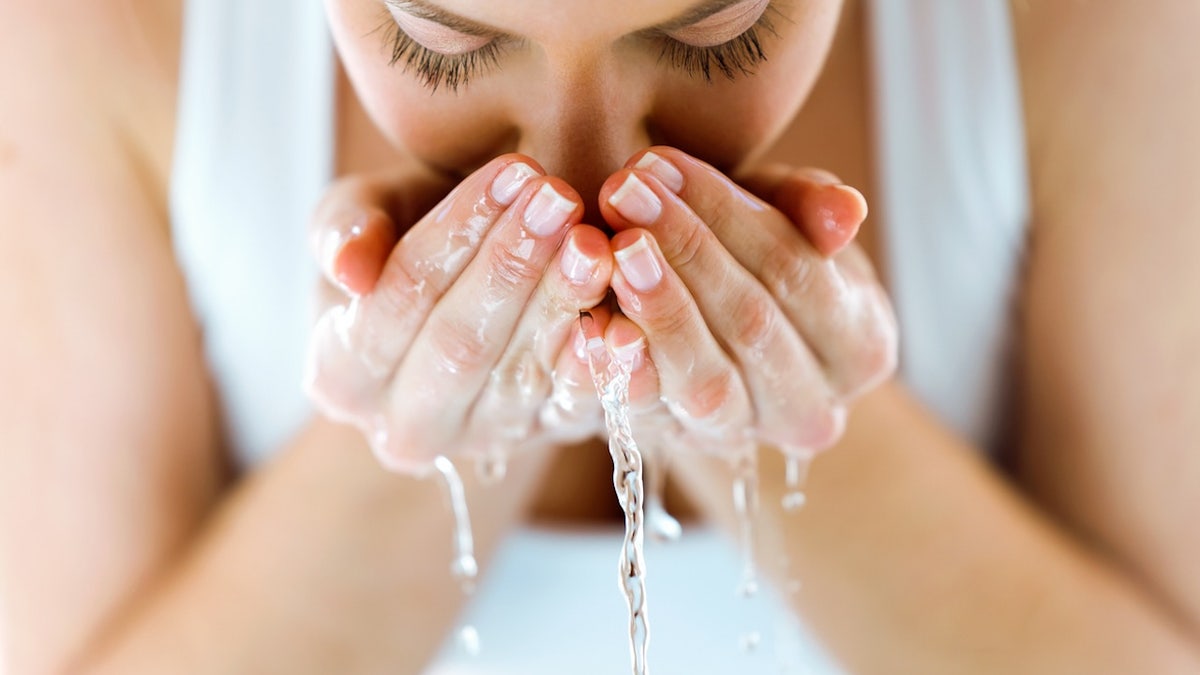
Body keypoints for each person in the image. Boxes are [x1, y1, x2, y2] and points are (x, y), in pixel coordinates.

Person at [3, 0, 1199, 672]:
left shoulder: (1093, 27)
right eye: (442, 37)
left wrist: (778, 408)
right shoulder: (100, 34)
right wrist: (432, 431)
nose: (580, 179)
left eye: (718, 32)